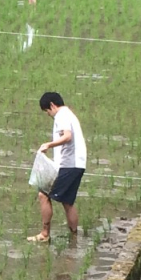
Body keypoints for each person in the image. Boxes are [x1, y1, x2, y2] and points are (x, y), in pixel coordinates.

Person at [29, 91, 87, 243]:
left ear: (52, 105)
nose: (48, 114)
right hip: (78, 165)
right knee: (67, 202)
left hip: (68, 165)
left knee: (43, 194)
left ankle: (44, 234)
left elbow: (68, 136)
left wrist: (49, 144)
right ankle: (74, 237)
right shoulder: (69, 114)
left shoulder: (62, 115)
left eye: (47, 111)